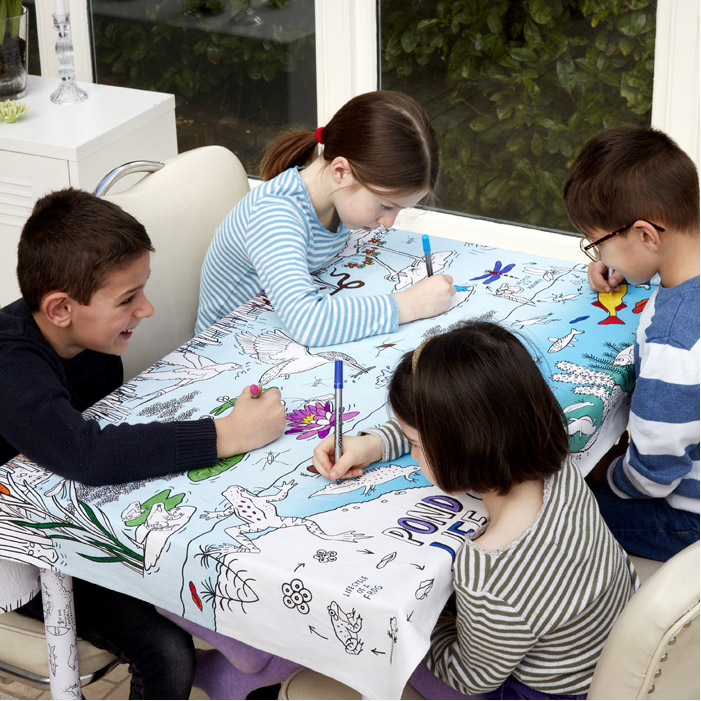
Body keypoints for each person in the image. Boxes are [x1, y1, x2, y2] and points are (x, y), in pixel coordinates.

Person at [0, 188, 287, 699]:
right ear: (61, 308)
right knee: (166, 652)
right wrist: (228, 433)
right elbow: (86, 453)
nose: (147, 309)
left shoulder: (93, 340)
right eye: (128, 299)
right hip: (20, 551)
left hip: (74, 516)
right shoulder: (10, 364)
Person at [313, 321, 639, 699]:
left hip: (547, 691)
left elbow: (470, 678)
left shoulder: (489, 571)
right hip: (610, 641)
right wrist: (373, 444)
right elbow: (459, 418)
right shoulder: (556, 462)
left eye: (415, 443)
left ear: (460, 448)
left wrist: (423, 626)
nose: (413, 452)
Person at [196, 90, 456, 346]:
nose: (388, 223)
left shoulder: (335, 202)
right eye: (385, 206)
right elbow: (308, 323)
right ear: (340, 171)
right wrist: (410, 304)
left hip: (271, 325)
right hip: (225, 345)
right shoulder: (274, 216)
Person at [563, 124, 700, 561]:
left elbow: (654, 476)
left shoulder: (672, 342)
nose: (599, 256)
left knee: (556, 514)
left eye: (598, 243)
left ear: (646, 236)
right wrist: (629, 264)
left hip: (687, 520)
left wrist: (604, 475)